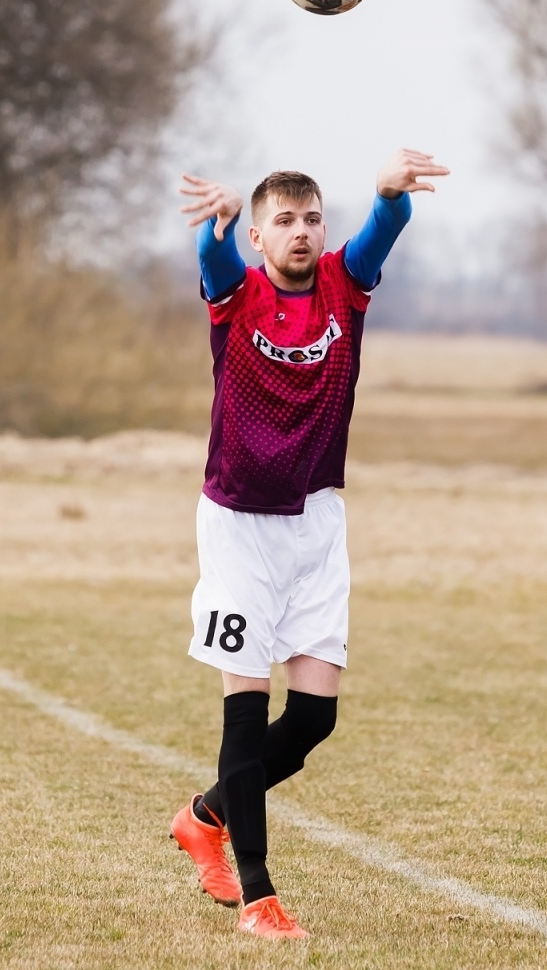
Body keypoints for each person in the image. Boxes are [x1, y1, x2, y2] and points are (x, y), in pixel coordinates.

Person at [167, 149, 449, 939]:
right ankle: (259, 896)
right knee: (246, 713)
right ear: (259, 236)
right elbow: (212, 259)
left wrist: (389, 199)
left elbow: (380, 236)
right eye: (283, 221)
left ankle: (204, 816)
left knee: (316, 719)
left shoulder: (343, 286)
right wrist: (217, 227)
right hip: (239, 524)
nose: (300, 231)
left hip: (318, 520)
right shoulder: (236, 293)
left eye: (311, 217)